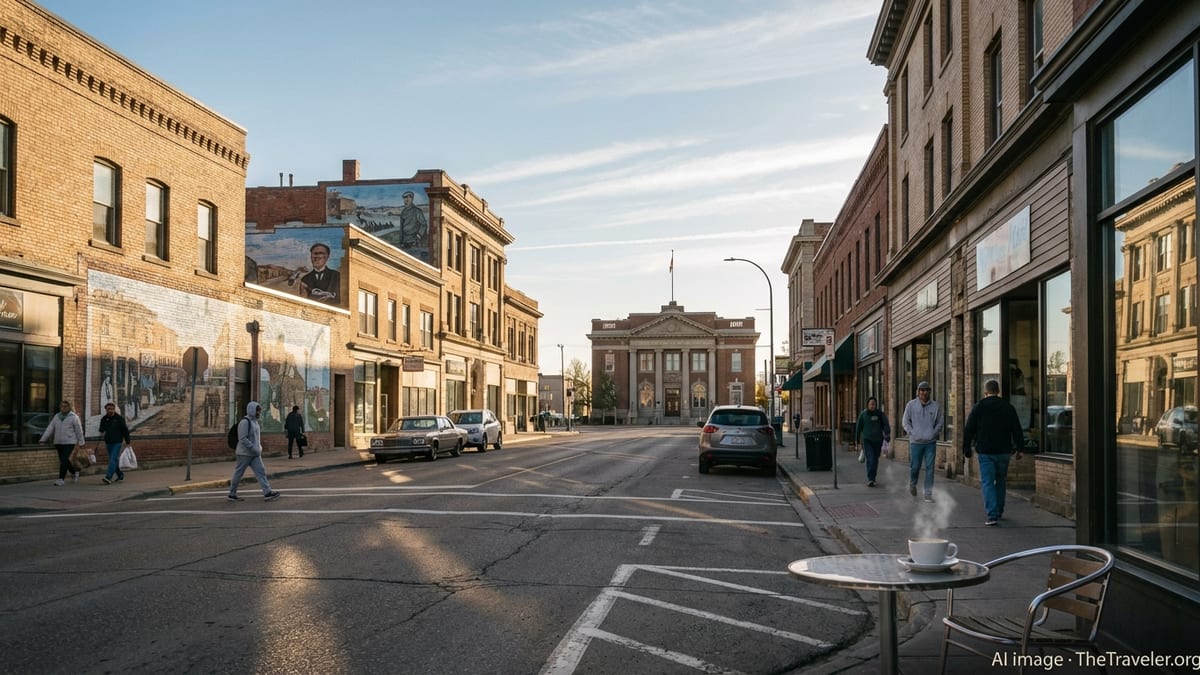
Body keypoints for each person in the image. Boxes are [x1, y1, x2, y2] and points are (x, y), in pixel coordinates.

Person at [963, 379, 1024, 526]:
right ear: (998, 391)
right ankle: (999, 510)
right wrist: (1020, 448)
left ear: (986, 392)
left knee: (988, 482)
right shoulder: (1008, 407)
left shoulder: (979, 407)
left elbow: (969, 429)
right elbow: (1016, 428)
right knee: (1001, 481)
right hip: (1004, 451)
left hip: (985, 451)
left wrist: (966, 449)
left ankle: (992, 514)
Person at [228, 401, 280, 502]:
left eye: (259, 410)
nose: (259, 412)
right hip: (244, 454)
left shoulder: (255, 422)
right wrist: (253, 447)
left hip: (255, 454)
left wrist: (258, 448)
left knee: (261, 472)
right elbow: (242, 439)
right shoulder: (244, 422)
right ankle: (232, 494)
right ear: (252, 410)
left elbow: (256, 438)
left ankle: (267, 492)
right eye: (257, 410)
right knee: (238, 473)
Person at [902, 381, 944, 502]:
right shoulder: (911, 405)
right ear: (918, 392)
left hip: (930, 442)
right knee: (915, 466)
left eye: (927, 390)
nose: (924, 392)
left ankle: (928, 493)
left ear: (930, 392)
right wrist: (912, 432)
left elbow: (940, 422)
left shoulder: (936, 406)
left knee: (930, 468)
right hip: (916, 442)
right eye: (922, 390)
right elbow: (905, 421)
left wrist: (934, 433)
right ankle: (913, 483)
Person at [40, 400, 86, 486]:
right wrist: (43, 439)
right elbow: (50, 428)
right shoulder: (57, 416)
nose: (63, 408)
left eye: (65, 406)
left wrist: (81, 442)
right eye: (62, 406)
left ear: (69, 407)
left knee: (64, 460)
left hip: (69, 442)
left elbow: (79, 430)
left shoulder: (74, 417)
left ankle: (61, 479)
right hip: (58, 442)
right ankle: (74, 471)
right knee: (64, 460)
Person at [854, 396, 891, 487]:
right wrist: (857, 440)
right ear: (867, 405)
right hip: (867, 440)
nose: (872, 406)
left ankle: (873, 477)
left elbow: (885, 424)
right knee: (870, 458)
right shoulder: (863, 415)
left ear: (876, 405)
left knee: (875, 459)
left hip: (878, 440)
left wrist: (887, 433)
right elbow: (858, 428)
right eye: (871, 404)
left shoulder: (879, 414)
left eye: (874, 404)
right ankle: (870, 479)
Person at [99, 401, 132, 484]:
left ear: (114, 409)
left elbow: (125, 430)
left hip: (117, 442)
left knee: (113, 459)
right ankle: (120, 475)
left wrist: (127, 442)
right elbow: (101, 429)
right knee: (113, 460)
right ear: (106, 410)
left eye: (112, 409)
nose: (110, 410)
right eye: (108, 409)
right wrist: (102, 432)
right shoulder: (104, 418)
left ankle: (108, 477)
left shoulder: (119, 419)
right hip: (108, 442)